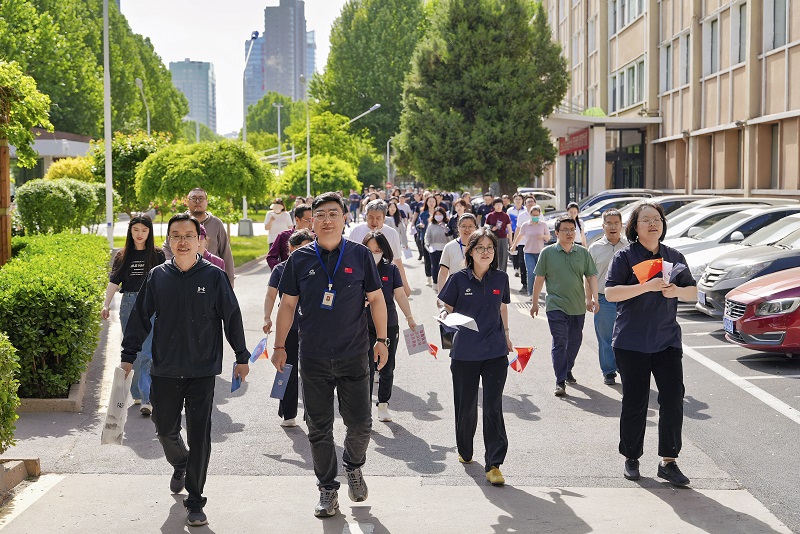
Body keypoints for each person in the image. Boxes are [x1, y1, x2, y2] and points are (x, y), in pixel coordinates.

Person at [120, 213, 250, 528]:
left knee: (200, 435)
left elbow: (232, 317)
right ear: (169, 240)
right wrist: (128, 355)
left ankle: (195, 500)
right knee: (165, 430)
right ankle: (181, 463)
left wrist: (242, 356)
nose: (182, 241)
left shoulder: (214, 276)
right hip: (164, 369)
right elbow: (140, 317)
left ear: (199, 240)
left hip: (202, 370)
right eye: (176, 235)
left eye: (188, 235)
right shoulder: (157, 276)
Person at [272, 191, 389, 518]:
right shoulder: (299, 259)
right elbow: (288, 305)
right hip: (313, 357)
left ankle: (353, 465)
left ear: (344, 218)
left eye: (333, 214)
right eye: (320, 215)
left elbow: (376, 299)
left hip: (355, 354)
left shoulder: (360, 255)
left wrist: (382, 340)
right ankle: (327, 490)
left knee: (361, 424)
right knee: (318, 428)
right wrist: (279, 347)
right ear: (312, 220)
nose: (326, 220)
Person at [605, 202, 697, 487]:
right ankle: (631, 457)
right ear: (635, 226)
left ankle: (668, 461)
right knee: (636, 401)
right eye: (646, 220)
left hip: (667, 340)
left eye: (657, 219)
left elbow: (693, 293)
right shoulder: (624, 257)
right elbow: (610, 293)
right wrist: (645, 286)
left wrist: (676, 290)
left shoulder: (674, 256)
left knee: (673, 399)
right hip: (631, 341)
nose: (653, 223)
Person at [438, 228, 513, 486]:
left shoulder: (501, 278)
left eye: (490, 248)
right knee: (466, 405)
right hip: (465, 353)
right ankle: (465, 448)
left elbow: (502, 307)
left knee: (493, 407)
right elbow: (445, 307)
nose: (485, 252)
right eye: (480, 247)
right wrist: (445, 317)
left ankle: (494, 464)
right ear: (470, 252)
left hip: (495, 352)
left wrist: (507, 335)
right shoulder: (458, 279)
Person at [101, 213, 165, 415]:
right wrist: (106, 304)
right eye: (136, 230)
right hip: (128, 303)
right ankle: (137, 393)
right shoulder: (122, 255)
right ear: (130, 231)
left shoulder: (158, 255)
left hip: (150, 304)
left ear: (149, 232)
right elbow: (114, 282)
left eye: (144, 230)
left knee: (147, 352)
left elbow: (164, 283)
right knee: (132, 351)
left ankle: (147, 398)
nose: (140, 234)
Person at [531, 216, 599, 397]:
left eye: (572, 230)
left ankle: (567, 368)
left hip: (577, 307)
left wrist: (594, 298)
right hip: (555, 305)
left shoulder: (582, 253)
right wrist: (535, 303)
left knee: (574, 342)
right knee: (560, 341)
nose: (569, 233)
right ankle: (560, 380)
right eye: (565, 230)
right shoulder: (547, 253)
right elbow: (539, 279)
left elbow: (591, 276)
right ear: (556, 233)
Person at [362, 231, 417, 423]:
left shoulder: (391, 269)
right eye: (370, 250)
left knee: (387, 365)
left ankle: (383, 404)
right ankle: (365, 408)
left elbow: (400, 294)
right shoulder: (358, 268)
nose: (374, 254)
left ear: (384, 250)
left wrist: (409, 316)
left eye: (378, 250)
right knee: (366, 366)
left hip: (388, 324)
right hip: (363, 324)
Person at [263, 229, 314, 427]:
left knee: (312, 372)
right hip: (289, 327)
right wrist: (267, 317)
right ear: (290, 248)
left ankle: (312, 415)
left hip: (313, 328)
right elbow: (270, 295)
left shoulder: (318, 267)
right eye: (300, 248)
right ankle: (288, 413)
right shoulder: (281, 269)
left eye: (310, 247)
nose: (305, 252)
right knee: (287, 369)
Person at [586, 209, 628, 385]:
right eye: (609, 223)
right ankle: (609, 371)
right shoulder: (594, 248)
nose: (612, 227)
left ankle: (625, 368)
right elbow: (589, 276)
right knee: (605, 338)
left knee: (627, 337)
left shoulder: (629, 246)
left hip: (627, 300)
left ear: (621, 225)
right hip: (603, 299)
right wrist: (589, 298)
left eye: (616, 223)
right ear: (603, 226)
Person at [162, 187, 235, 286]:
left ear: (206, 202)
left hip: (210, 278)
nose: (197, 201)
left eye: (201, 198)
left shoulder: (216, 223)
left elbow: (225, 252)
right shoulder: (178, 223)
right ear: (187, 202)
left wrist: (230, 281)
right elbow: (167, 247)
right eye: (193, 198)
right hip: (182, 277)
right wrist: (173, 268)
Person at [349, 199, 411, 296]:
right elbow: (349, 258)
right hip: (360, 278)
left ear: (384, 218)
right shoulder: (356, 231)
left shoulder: (392, 233)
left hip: (384, 279)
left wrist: (405, 285)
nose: (374, 221)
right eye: (370, 217)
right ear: (366, 215)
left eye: (378, 218)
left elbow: (397, 261)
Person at [509, 205, 550, 296]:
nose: (535, 217)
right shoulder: (525, 225)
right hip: (528, 252)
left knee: (541, 274)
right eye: (533, 215)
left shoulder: (543, 225)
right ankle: (531, 293)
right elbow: (520, 236)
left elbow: (548, 238)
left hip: (540, 253)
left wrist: (543, 236)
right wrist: (514, 246)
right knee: (531, 272)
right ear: (530, 215)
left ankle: (539, 291)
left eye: (537, 215)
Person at [438, 213, 478, 293]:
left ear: (475, 228)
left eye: (470, 226)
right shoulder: (449, 247)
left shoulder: (481, 246)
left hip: (477, 291)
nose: (467, 229)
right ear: (458, 228)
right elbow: (443, 274)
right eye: (463, 226)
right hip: (455, 291)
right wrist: (441, 295)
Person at [267, 204, 313, 269]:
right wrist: (282, 269)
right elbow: (271, 257)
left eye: (313, 220)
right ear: (297, 219)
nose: (311, 224)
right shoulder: (284, 236)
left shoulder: (315, 237)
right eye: (308, 220)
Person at [416, 196, 439, 285]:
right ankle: (428, 277)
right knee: (427, 259)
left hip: (437, 240)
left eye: (433, 201)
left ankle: (436, 277)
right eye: (430, 201)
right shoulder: (423, 214)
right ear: (427, 203)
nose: (432, 203)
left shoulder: (439, 213)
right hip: (426, 239)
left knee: (437, 260)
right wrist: (420, 226)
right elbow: (418, 225)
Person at [424, 207, 450, 287]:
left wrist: (446, 230)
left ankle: (444, 283)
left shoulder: (447, 224)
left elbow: (450, 237)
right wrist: (427, 244)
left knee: (443, 267)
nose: (438, 216)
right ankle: (435, 283)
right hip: (433, 248)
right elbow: (427, 236)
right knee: (434, 266)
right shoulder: (431, 225)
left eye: (440, 214)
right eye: (437, 214)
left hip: (444, 248)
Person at [486, 197, 512, 272]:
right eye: (497, 204)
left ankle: (503, 273)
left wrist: (510, 241)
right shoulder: (490, 215)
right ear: (494, 206)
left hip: (503, 238)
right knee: (493, 256)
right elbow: (485, 225)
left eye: (500, 204)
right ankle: (492, 273)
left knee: (503, 257)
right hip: (492, 238)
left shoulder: (505, 216)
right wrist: (491, 227)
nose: (499, 206)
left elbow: (509, 229)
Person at [506, 194, 526, 279]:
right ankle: (516, 268)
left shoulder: (525, 210)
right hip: (513, 232)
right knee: (514, 251)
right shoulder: (510, 210)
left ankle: (522, 268)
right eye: (516, 199)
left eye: (519, 199)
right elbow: (507, 222)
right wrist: (508, 233)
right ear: (513, 200)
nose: (518, 201)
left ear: (522, 200)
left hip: (523, 234)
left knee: (521, 251)